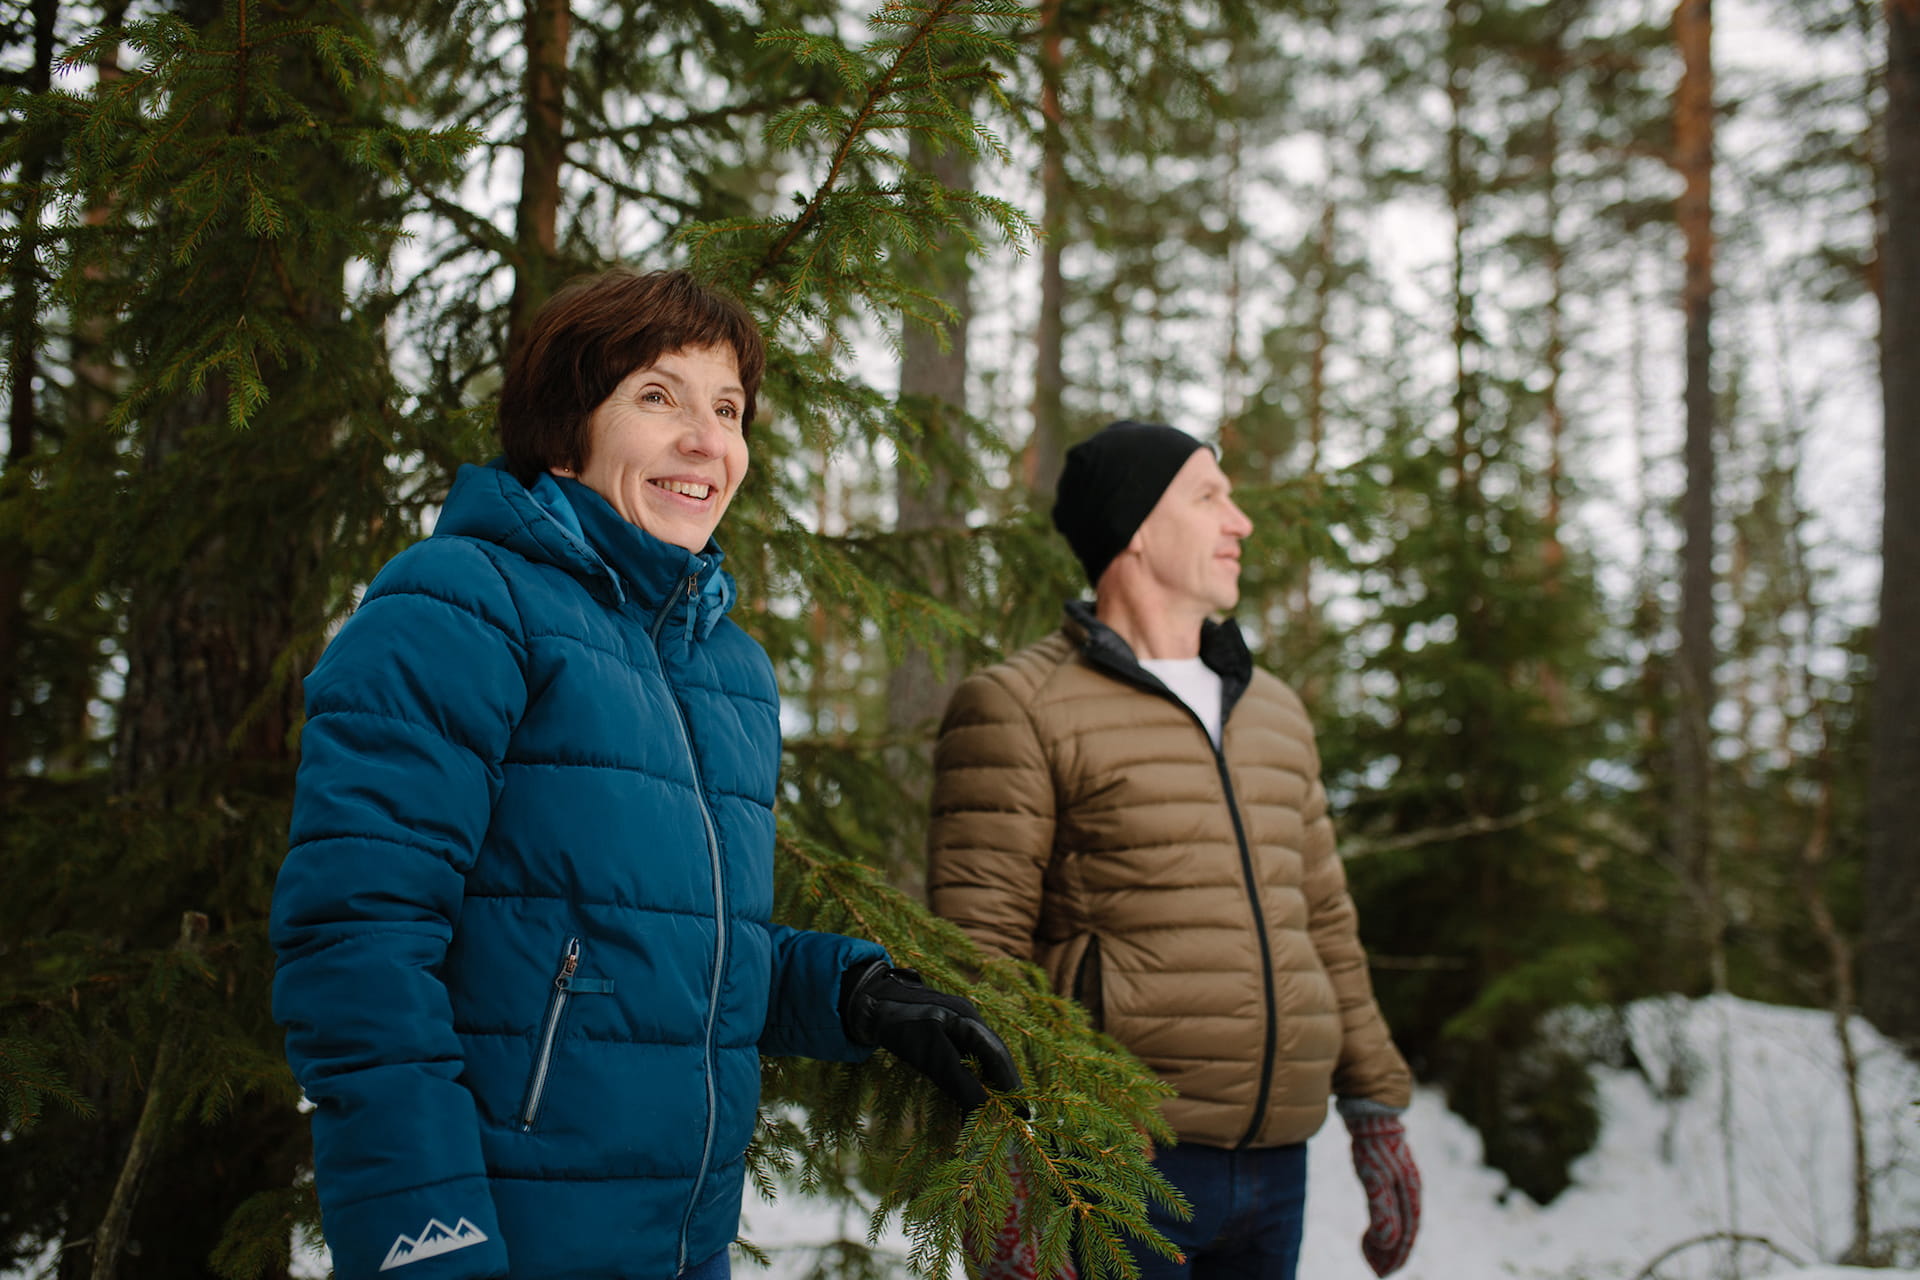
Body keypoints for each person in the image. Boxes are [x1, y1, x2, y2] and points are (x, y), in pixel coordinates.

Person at [271, 268, 1019, 1280]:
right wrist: (427, 1236)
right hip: (502, 1241)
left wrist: (853, 993)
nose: (708, 441)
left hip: (679, 1245)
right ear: (567, 421)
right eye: (659, 396)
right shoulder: (457, 602)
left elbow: (667, 948)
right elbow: (357, 947)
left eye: (728, 409)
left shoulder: (728, 670)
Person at [927, 421, 1421, 1280]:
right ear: (1137, 527)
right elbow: (978, 955)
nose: (1242, 522)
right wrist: (1003, 1166)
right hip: (1118, 1167)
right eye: (1209, 496)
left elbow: (1327, 924)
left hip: (1277, 1166)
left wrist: (1375, 1103)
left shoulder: (1274, 711)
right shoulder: (1019, 704)